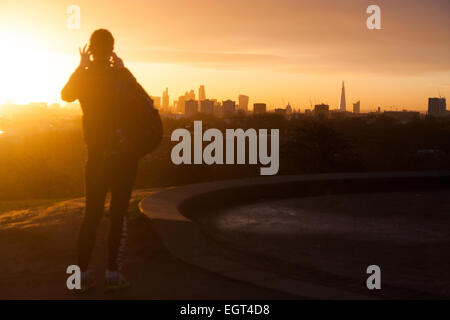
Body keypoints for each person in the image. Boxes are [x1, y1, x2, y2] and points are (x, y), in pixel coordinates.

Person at [62, 29, 142, 292]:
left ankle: (81, 276)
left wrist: (81, 66)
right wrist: (124, 70)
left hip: (96, 157)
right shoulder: (119, 77)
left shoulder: (85, 77)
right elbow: (142, 101)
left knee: (92, 215)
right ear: (112, 49)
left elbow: (66, 95)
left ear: (91, 48)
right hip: (122, 156)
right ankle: (112, 275)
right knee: (118, 214)